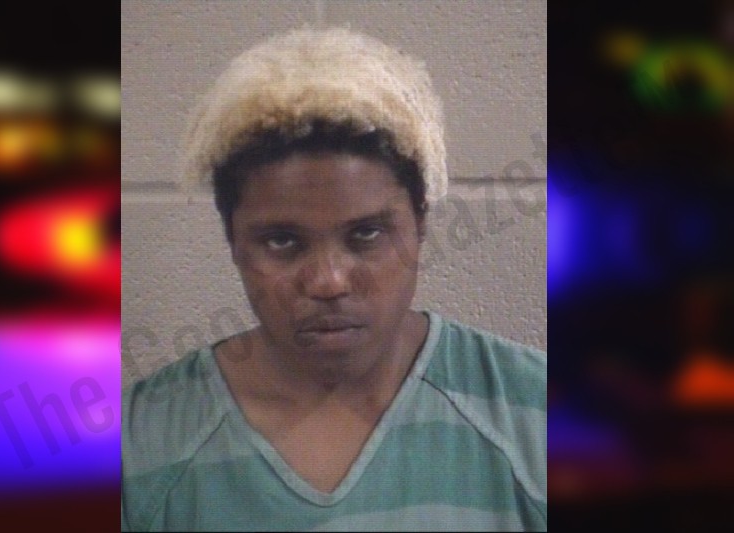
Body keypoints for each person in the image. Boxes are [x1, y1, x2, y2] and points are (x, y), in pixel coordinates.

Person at [122, 27, 546, 531]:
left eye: (366, 234)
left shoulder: (540, 415)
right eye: (282, 241)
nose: (328, 282)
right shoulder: (137, 446)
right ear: (233, 240)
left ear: (420, 225)